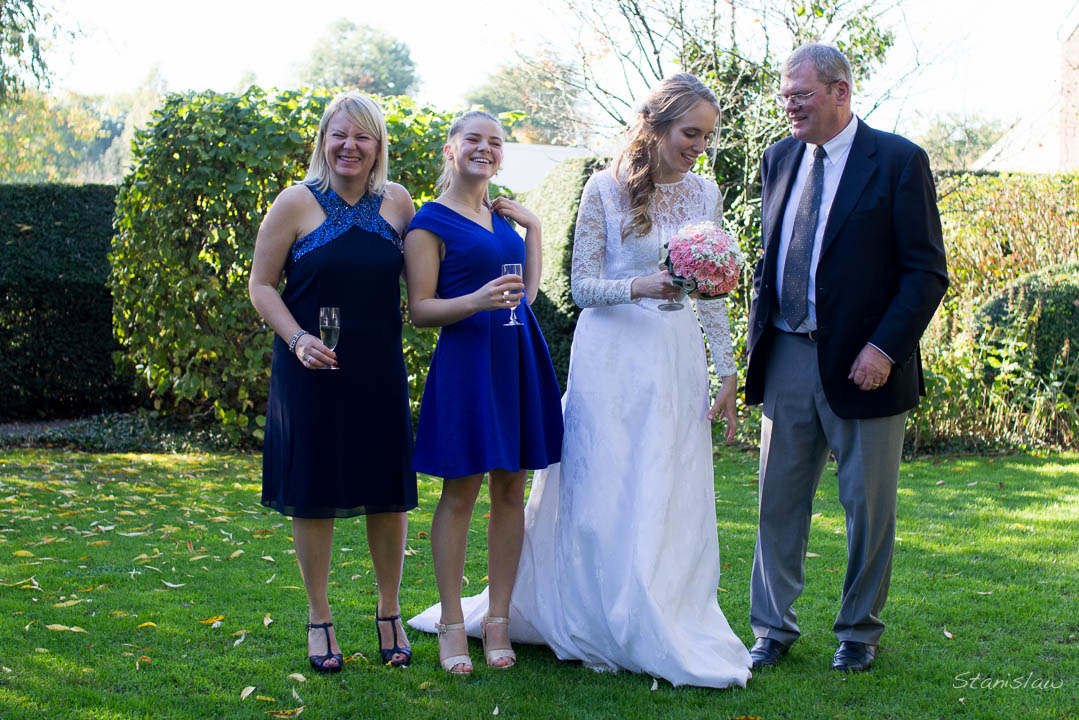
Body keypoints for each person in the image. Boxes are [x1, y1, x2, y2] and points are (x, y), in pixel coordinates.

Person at [411, 74, 753, 689]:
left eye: (707, 135)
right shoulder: (604, 187)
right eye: (689, 132)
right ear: (657, 126)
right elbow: (581, 287)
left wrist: (726, 368)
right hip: (614, 355)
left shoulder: (706, 193)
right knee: (606, 481)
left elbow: (712, 295)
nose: (699, 145)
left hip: (674, 356)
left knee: (664, 483)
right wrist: (638, 286)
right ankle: (585, 609)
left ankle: (658, 608)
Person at [744, 43, 948, 673]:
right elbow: (772, 257)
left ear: (840, 92)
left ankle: (858, 631)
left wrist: (885, 348)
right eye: (784, 96)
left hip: (867, 364)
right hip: (786, 354)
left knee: (867, 506)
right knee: (777, 501)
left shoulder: (898, 160)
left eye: (800, 95)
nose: (789, 107)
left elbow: (924, 272)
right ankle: (772, 628)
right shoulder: (777, 159)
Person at [249, 91, 418, 672]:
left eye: (362, 136)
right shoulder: (294, 202)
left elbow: (433, 266)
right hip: (311, 370)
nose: (350, 146)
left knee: (387, 492)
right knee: (314, 492)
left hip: (378, 369)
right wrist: (297, 339)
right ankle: (320, 617)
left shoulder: (398, 203)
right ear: (324, 140)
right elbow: (262, 286)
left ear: (378, 146)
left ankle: (389, 611)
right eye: (339, 135)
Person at [402, 110, 563, 675]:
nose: (485, 149)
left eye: (495, 142)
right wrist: (475, 300)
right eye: (474, 139)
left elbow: (528, 294)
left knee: (511, 491)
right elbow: (419, 310)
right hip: (468, 364)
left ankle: (498, 620)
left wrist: (535, 229)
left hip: (516, 357)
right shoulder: (428, 222)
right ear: (451, 149)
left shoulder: (503, 216)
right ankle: (451, 622)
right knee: (460, 493)